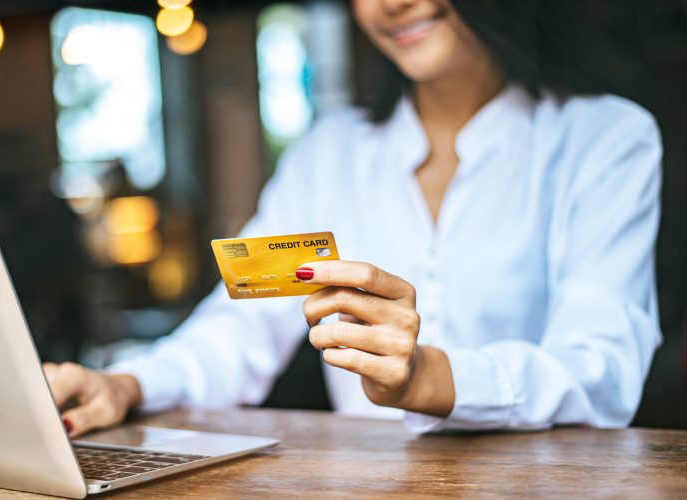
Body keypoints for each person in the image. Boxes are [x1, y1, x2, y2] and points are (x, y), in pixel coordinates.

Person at [44, 0, 662, 437]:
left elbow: (601, 369)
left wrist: (428, 377)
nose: (393, 3)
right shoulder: (327, 152)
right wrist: (127, 386)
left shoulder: (605, 138)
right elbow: (239, 331)